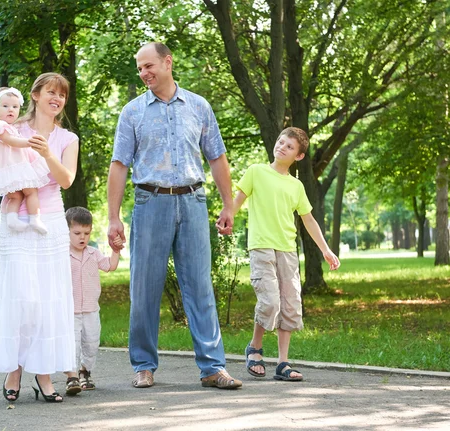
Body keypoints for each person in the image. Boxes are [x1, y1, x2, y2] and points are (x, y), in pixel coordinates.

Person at [107, 42, 242, 390]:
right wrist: (113, 217)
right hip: (150, 203)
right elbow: (119, 166)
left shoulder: (198, 106)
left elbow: (217, 158)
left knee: (199, 287)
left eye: (149, 66)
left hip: (193, 201)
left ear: (168, 62)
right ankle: (143, 364)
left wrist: (228, 205)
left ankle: (213, 367)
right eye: (139, 68)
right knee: (144, 287)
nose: (144, 73)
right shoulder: (132, 112)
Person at [0, 73, 79, 403]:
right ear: (34, 95)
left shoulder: (68, 138)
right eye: (50, 92)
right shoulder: (12, 127)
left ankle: (44, 375)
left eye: (61, 95)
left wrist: (48, 153)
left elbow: (66, 180)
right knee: (21, 296)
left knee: (48, 299)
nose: (57, 99)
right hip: (15, 220)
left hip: (50, 220)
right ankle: (14, 369)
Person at [232, 127, 341, 382]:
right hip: (261, 246)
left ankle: (282, 363)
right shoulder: (256, 172)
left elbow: (309, 220)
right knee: (269, 301)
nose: (282, 147)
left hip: (288, 250)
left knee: (290, 305)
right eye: (281, 142)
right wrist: (227, 216)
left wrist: (325, 249)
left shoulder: (297, 186)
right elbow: (237, 199)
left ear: (299, 156)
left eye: (289, 146)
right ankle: (255, 348)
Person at [62, 206, 123, 395]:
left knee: (91, 342)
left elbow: (110, 266)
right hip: (70, 310)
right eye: (77, 233)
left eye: (86, 233)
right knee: (72, 343)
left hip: (90, 309)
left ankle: (85, 371)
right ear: (67, 232)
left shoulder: (93, 253)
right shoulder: (61, 255)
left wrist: (115, 249)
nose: (82, 237)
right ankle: (71, 378)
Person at [0, 87, 50, 234]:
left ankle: (13, 220)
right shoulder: (0, 127)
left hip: (11, 168)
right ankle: (35, 218)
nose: (11, 110)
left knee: (16, 195)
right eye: (5, 106)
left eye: (15, 107)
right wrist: (28, 142)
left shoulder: (7, 127)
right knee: (31, 191)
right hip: (14, 168)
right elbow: (11, 142)